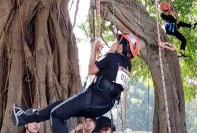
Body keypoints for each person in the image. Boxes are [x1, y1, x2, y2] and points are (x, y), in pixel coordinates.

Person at [12, 33, 141, 133]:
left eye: (116, 41)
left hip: (91, 100)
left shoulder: (111, 57)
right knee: (58, 106)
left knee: (56, 115)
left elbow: (91, 70)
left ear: (120, 47)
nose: (113, 43)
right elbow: (104, 74)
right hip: (103, 106)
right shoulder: (127, 67)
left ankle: (24, 118)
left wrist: (92, 50)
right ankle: (24, 118)